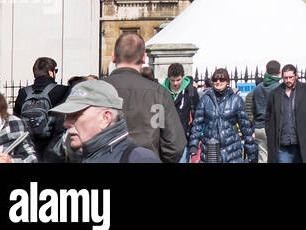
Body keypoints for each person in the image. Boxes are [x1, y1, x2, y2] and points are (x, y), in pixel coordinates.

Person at [102, 33, 185, 163]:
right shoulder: (158, 93)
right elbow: (175, 144)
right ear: (144, 58)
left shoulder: (98, 90)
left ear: (113, 56)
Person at [48, 80, 160, 163]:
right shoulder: (75, 156)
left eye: (75, 116)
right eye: (67, 116)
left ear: (105, 118)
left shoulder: (140, 159)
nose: (66, 124)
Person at [188, 67, 254, 163]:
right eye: (215, 79)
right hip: (210, 150)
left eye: (222, 79)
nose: (218, 82)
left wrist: (251, 150)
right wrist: (194, 145)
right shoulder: (205, 99)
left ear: (227, 81)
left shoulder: (236, 100)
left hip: (231, 150)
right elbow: (197, 124)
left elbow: (245, 126)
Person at [13, 56, 70, 162]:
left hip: (29, 144)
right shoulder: (62, 90)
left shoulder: (23, 93)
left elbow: (16, 117)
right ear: (50, 72)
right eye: (55, 71)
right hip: (53, 147)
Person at [266, 64, 306, 163]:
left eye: (291, 77)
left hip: (303, 142)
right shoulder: (275, 93)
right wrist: (270, 131)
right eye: (285, 78)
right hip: (283, 144)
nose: (288, 80)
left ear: (296, 76)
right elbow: (268, 115)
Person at [246, 59, 281, 162]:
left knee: (262, 157)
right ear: (279, 71)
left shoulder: (257, 89)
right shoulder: (279, 88)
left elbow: (253, 109)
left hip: (259, 127)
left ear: (266, 70)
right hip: (273, 127)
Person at [162, 63, 200, 149]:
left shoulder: (191, 92)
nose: (175, 83)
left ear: (183, 76)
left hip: (184, 139)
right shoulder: (161, 91)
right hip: (165, 141)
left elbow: (198, 117)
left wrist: (190, 132)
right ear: (168, 77)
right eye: (172, 80)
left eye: (178, 80)